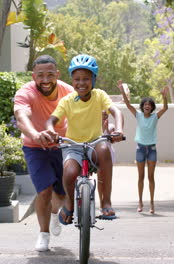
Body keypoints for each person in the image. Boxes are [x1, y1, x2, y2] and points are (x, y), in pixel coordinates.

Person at [45, 54, 124, 225]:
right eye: (77, 79)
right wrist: (51, 131)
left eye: (86, 79)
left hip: (95, 144)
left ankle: (106, 202)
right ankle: (69, 204)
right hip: (73, 146)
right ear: (72, 81)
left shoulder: (99, 95)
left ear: (93, 80)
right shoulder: (67, 101)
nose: (81, 83)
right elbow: (51, 120)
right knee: (70, 172)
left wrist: (118, 130)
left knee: (104, 150)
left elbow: (116, 112)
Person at [14, 55, 74, 251]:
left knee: (61, 193)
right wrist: (35, 134)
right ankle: (43, 233)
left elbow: (81, 114)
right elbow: (22, 117)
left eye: (50, 74)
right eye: (40, 75)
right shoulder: (25, 93)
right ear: (33, 76)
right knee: (44, 191)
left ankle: (55, 214)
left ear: (57, 74)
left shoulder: (68, 91)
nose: (45, 80)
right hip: (35, 147)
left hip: (63, 145)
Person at [117, 80, 168, 214]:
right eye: (145, 104)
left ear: (151, 107)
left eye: (149, 105)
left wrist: (164, 96)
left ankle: (151, 203)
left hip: (152, 149)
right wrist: (122, 89)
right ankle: (140, 202)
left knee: (151, 177)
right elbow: (127, 105)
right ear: (142, 106)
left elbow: (165, 108)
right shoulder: (138, 115)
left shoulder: (155, 117)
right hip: (140, 149)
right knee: (140, 177)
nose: (147, 106)